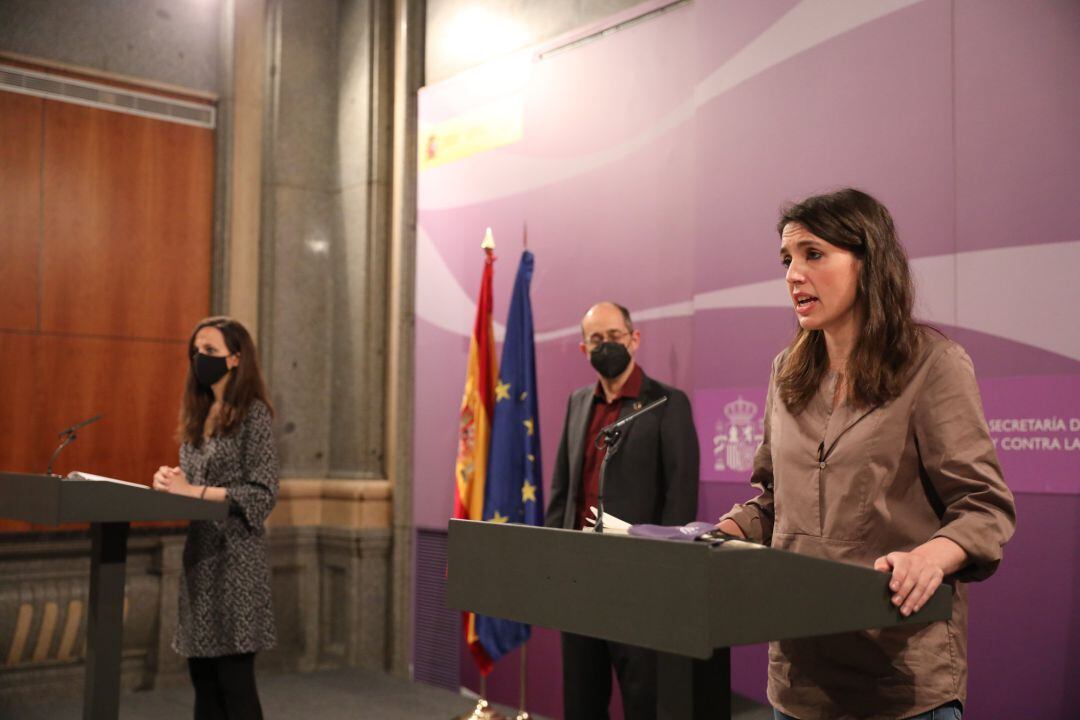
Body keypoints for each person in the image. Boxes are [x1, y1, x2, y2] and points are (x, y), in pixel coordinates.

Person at [716, 189, 1016, 720]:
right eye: (787, 259)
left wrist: (928, 558)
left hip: (901, 684)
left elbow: (983, 507)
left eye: (813, 254)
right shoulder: (786, 372)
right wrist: (725, 534)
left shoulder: (934, 366)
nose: (792, 274)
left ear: (868, 260)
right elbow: (774, 502)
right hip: (799, 679)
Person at [545, 301, 700, 720]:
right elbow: (563, 490)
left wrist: (661, 575)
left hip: (637, 583)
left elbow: (680, 499)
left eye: (614, 337)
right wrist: (550, 560)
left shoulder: (666, 403)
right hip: (579, 579)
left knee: (644, 701)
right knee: (581, 701)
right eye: (596, 339)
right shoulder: (579, 403)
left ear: (634, 339)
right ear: (583, 349)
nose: (606, 346)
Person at [152, 316, 278, 720]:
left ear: (236, 358)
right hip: (200, 561)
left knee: (235, 685)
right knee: (203, 686)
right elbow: (194, 484)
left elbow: (262, 493)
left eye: (210, 352)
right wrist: (172, 479)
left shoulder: (253, 415)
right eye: (195, 351)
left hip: (237, 563)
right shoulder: (198, 413)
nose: (199, 359)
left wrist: (194, 491)